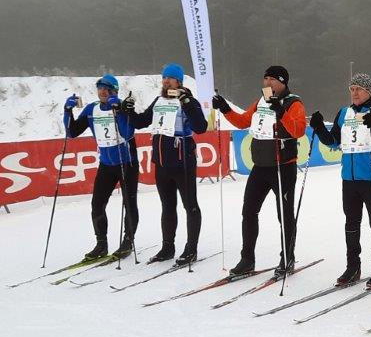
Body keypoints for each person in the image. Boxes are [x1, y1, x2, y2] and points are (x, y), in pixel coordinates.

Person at [212, 66, 306, 277]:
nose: (267, 83)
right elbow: (243, 121)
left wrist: (281, 112)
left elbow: (298, 130)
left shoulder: (294, 103)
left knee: (284, 215)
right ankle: (247, 259)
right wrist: (225, 108)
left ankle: (287, 258)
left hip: (283, 166)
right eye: (265, 78)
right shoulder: (260, 102)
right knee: (249, 211)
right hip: (260, 167)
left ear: (282, 82)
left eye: (272, 79)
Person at [308, 73, 371, 290]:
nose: (354, 93)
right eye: (352, 89)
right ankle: (353, 266)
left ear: (368, 91)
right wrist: (319, 128)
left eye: (358, 89)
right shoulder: (344, 113)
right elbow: (334, 141)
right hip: (348, 178)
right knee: (351, 223)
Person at [124, 63, 208, 266]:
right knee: (167, 207)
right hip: (162, 163)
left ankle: (191, 249)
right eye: (164, 78)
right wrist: (129, 110)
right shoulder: (159, 100)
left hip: (182, 162)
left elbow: (201, 127)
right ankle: (167, 247)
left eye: (170, 78)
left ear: (179, 81)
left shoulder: (188, 100)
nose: (166, 81)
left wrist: (187, 103)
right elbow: (141, 122)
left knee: (190, 206)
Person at [64, 74, 138, 260]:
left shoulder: (123, 106)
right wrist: (67, 111)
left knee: (129, 204)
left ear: (115, 91)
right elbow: (72, 132)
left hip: (126, 163)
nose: (103, 92)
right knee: (97, 204)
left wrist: (118, 110)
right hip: (106, 164)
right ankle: (101, 244)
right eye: (100, 88)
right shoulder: (92, 109)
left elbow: (128, 132)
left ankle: (127, 241)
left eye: (107, 89)